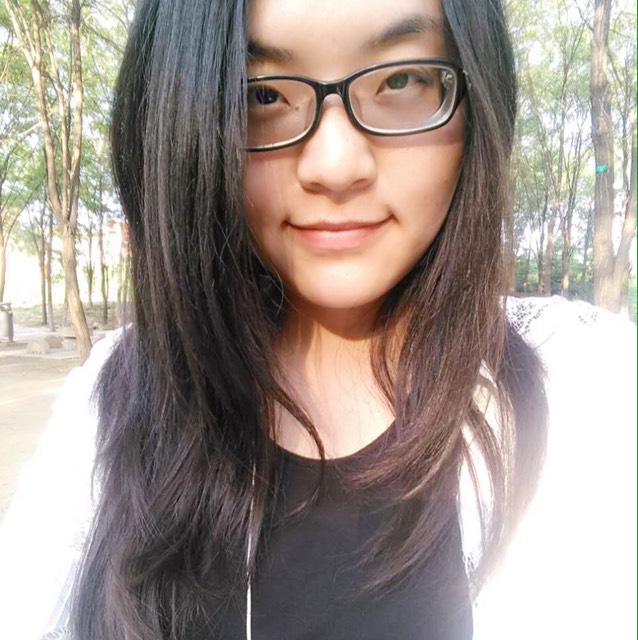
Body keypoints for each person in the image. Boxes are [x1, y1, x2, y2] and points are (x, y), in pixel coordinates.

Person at [0, 0, 635, 638]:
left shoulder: (593, 391)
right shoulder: (110, 402)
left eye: (401, 79)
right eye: (262, 95)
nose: (335, 167)